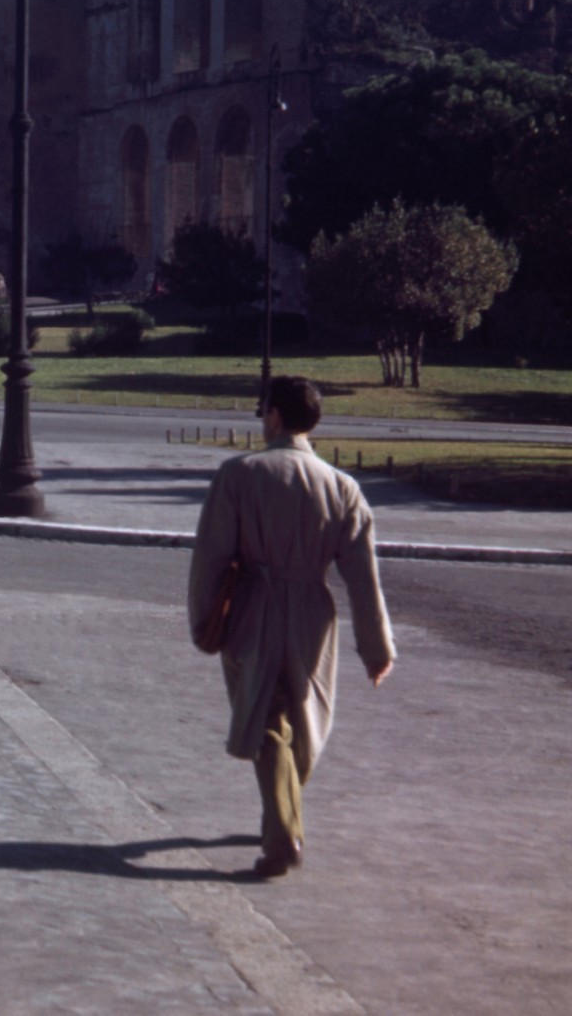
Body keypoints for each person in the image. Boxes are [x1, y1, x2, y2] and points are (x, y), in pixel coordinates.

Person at [188, 375, 396, 880]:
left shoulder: (239, 474)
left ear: (275, 417)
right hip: (311, 608)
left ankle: (282, 835)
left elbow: (211, 557)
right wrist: (377, 647)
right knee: (303, 714)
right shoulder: (342, 486)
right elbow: (363, 575)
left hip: (254, 605)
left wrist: (202, 622)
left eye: (264, 413)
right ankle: (279, 814)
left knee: (265, 716)